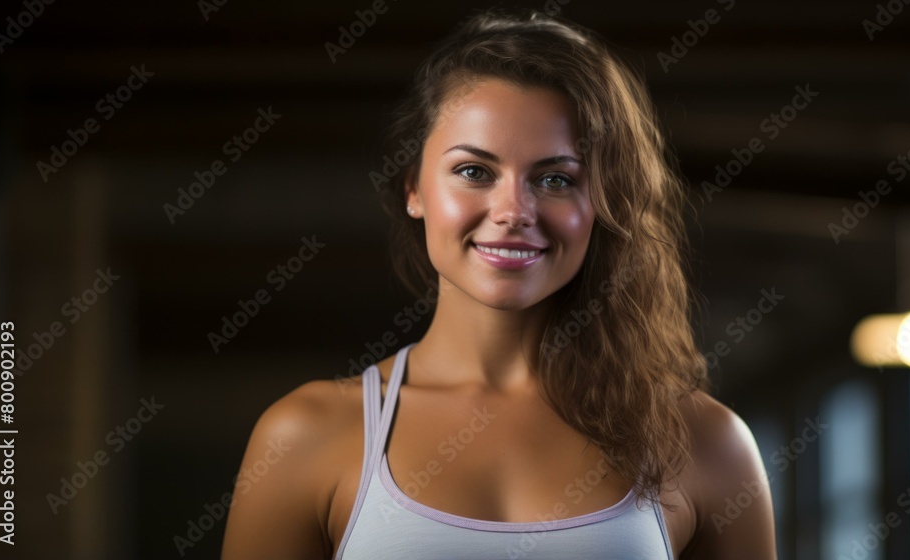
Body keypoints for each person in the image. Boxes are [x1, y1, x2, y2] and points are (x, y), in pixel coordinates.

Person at [221, 8, 776, 559]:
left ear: (605, 203)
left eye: (556, 179)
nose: (513, 210)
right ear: (414, 188)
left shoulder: (706, 443)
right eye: (474, 171)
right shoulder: (305, 435)